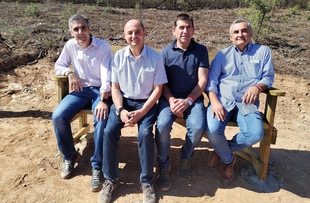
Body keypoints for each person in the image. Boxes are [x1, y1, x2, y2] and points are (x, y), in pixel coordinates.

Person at [98, 19, 167, 203]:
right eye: (130, 33)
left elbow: (158, 90)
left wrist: (142, 112)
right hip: (124, 101)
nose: (134, 36)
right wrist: (120, 110)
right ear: (125, 35)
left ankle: (146, 182)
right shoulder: (118, 57)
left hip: (146, 102)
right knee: (109, 130)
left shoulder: (156, 57)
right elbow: (114, 88)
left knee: (145, 134)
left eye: (138, 32)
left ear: (144, 34)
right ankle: (110, 179)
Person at [205, 18, 275, 184]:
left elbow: (268, 77)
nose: (240, 34)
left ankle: (222, 151)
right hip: (223, 100)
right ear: (230, 36)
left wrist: (257, 87)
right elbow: (211, 81)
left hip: (246, 103)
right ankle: (229, 160)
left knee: (255, 133)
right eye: (236, 32)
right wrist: (214, 102)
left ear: (250, 33)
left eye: (244, 31)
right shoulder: (222, 55)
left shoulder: (263, 52)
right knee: (213, 130)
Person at [52, 14, 111, 192]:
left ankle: (97, 166)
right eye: (76, 29)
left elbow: (107, 73)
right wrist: (70, 73)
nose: (80, 32)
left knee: (101, 119)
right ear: (71, 32)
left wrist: (103, 99)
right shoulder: (70, 46)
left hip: (100, 90)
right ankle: (70, 156)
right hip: (80, 91)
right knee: (58, 116)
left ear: (90, 28)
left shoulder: (102, 46)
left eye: (83, 28)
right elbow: (59, 65)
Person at [155, 13, 209, 191]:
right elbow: (162, 82)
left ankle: (185, 156)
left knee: (198, 127)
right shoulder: (165, 52)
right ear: (174, 30)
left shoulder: (201, 51)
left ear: (193, 30)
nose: (185, 31)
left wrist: (188, 101)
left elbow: (202, 81)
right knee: (162, 126)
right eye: (181, 27)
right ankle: (163, 164)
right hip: (168, 99)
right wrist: (171, 100)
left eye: (188, 27)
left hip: (192, 99)